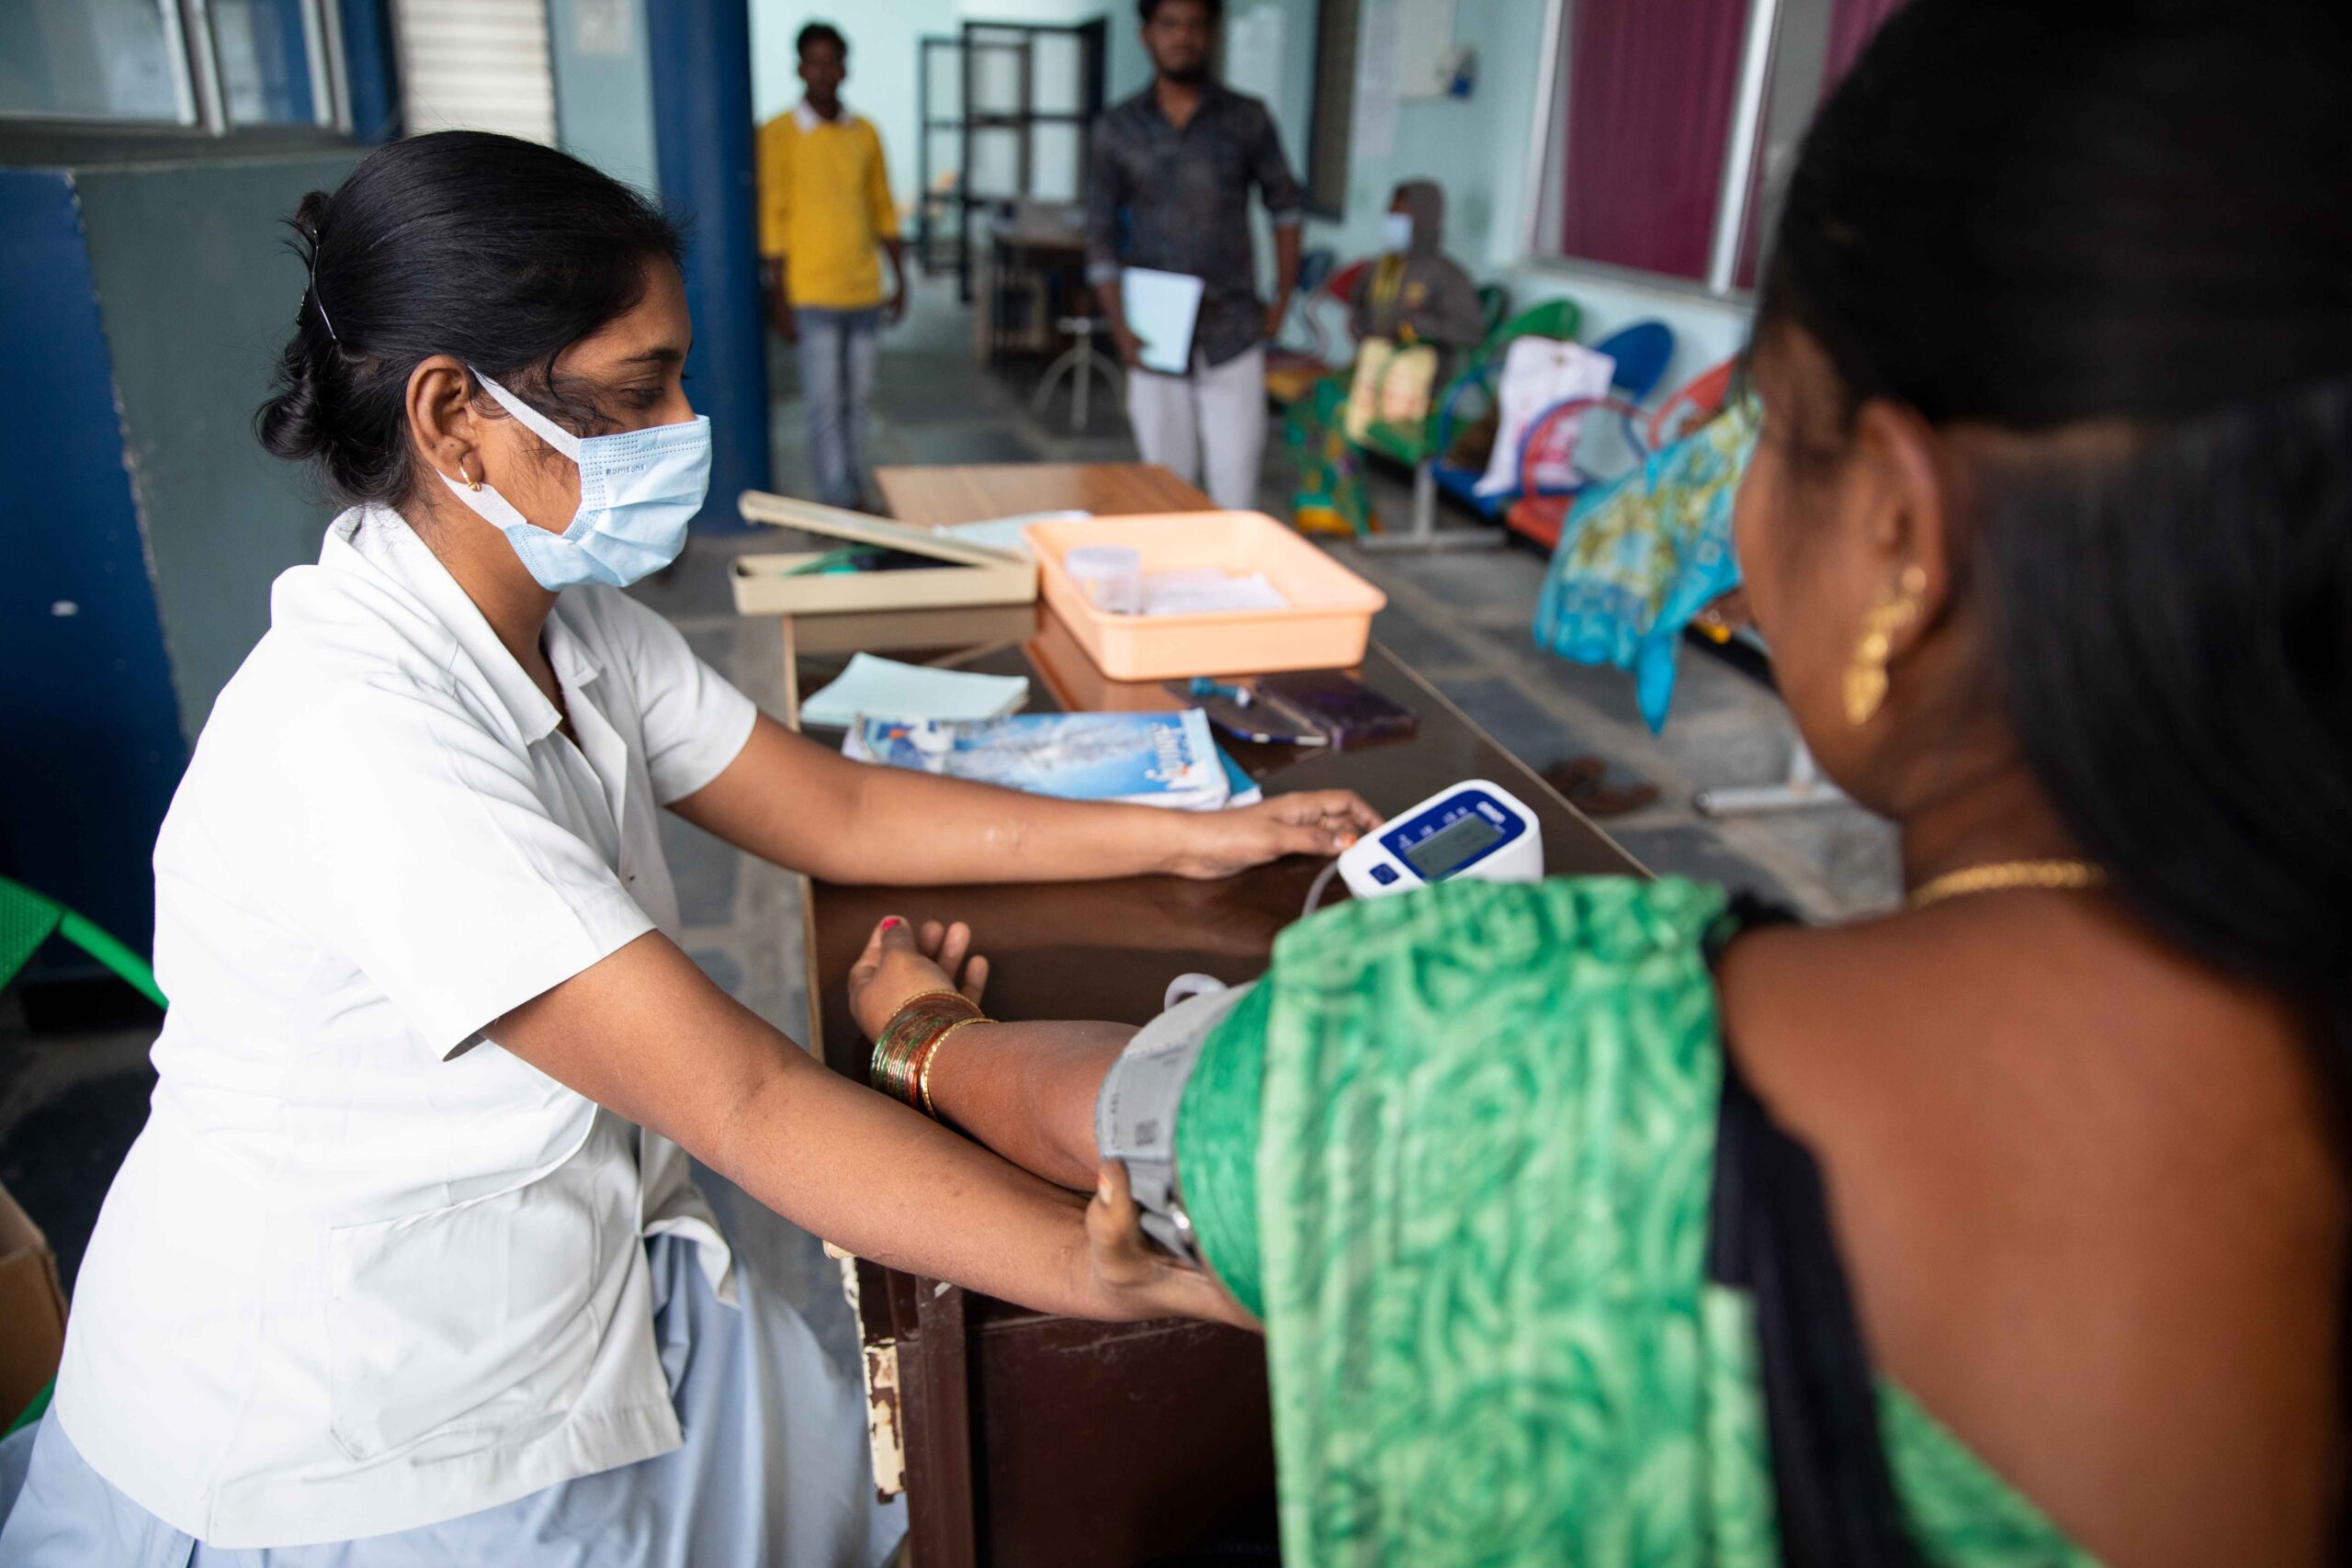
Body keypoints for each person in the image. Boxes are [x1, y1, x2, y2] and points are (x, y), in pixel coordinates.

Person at [846, 1, 2352, 1561]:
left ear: (1902, 533)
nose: (1735, 509)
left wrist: (924, 1032)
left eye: (1761, 428)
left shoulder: (1507, 1055)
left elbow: (1124, 1118)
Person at [0, 130, 1374, 1565]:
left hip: (552, 1278)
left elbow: (834, 808)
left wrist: (1201, 829)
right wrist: (1095, 1274)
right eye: (640, 387)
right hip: (354, 1418)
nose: (686, 419)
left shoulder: (560, 618)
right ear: (455, 416)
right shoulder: (358, 734)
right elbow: (744, 1099)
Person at [1086, 0, 1306, 511]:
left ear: (1211, 35)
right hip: (1153, 333)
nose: (1182, 37)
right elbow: (1098, 233)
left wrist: (1282, 298)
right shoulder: (1116, 128)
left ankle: (1233, 590)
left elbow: (1286, 207)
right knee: (1166, 492)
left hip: (1232, 327)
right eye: (1169, 25)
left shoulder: (1246, 118)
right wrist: (1119, 326)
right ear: (1146, 35)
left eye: (1194, 26)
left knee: (1236, 487)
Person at [758, 22, 906, 512]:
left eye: (833, 61)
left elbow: (882, 206)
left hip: (863, 288)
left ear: (846, 67)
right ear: (800, 67)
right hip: (811, 292)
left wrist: (900, 278)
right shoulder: (779, 133)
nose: (824, 72)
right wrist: (778, 298)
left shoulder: (865, 133)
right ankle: (837, 498)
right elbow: (773, 218)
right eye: (814, 62)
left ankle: (854, 486)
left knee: (859, 401)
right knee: (824, 403)